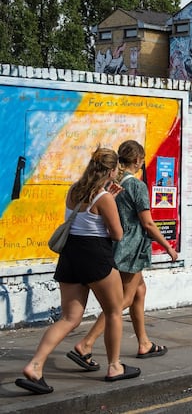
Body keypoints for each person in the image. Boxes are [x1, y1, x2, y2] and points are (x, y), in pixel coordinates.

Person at [16, 148, 140, 395]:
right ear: (113, 170)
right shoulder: (104, 197)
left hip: (71, 255)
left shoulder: (73, 190)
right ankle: (115, 366)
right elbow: (117, 234)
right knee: (114, 311)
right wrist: (111, 202)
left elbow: (84, 218)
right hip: (95, 256)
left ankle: (35, 365)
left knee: (69, 318)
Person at [70, 141, 178, 366]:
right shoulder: (136, 186)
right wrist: (167, 247)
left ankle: (144, 343)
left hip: (115, 246)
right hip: (132, 249)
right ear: (138, 160)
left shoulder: (112, 182)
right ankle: (86, 344)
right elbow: (147, 223)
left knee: (139, 291)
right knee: (123, 300)